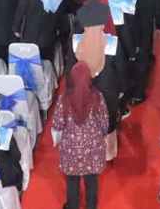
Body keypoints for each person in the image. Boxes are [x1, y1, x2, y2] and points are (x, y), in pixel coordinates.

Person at [49, 62, 107, 209]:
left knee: (72, 181)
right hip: (93, 148)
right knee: (92, 180)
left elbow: (57, 124)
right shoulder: (97, 97)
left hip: (71, 149)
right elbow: (104, 123)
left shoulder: (64, 99)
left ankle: (72, 205)